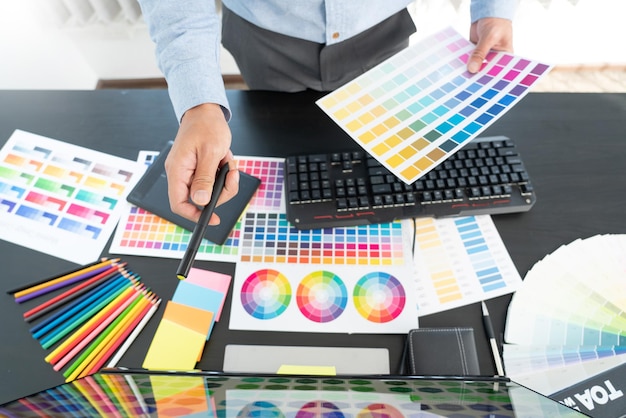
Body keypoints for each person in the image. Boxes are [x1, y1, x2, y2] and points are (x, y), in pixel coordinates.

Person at [138, 0, 516, 225]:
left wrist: (493, 8)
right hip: (265, 33)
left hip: (380, 27)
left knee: (380, 153)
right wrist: (199, 106)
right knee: (282, 149)